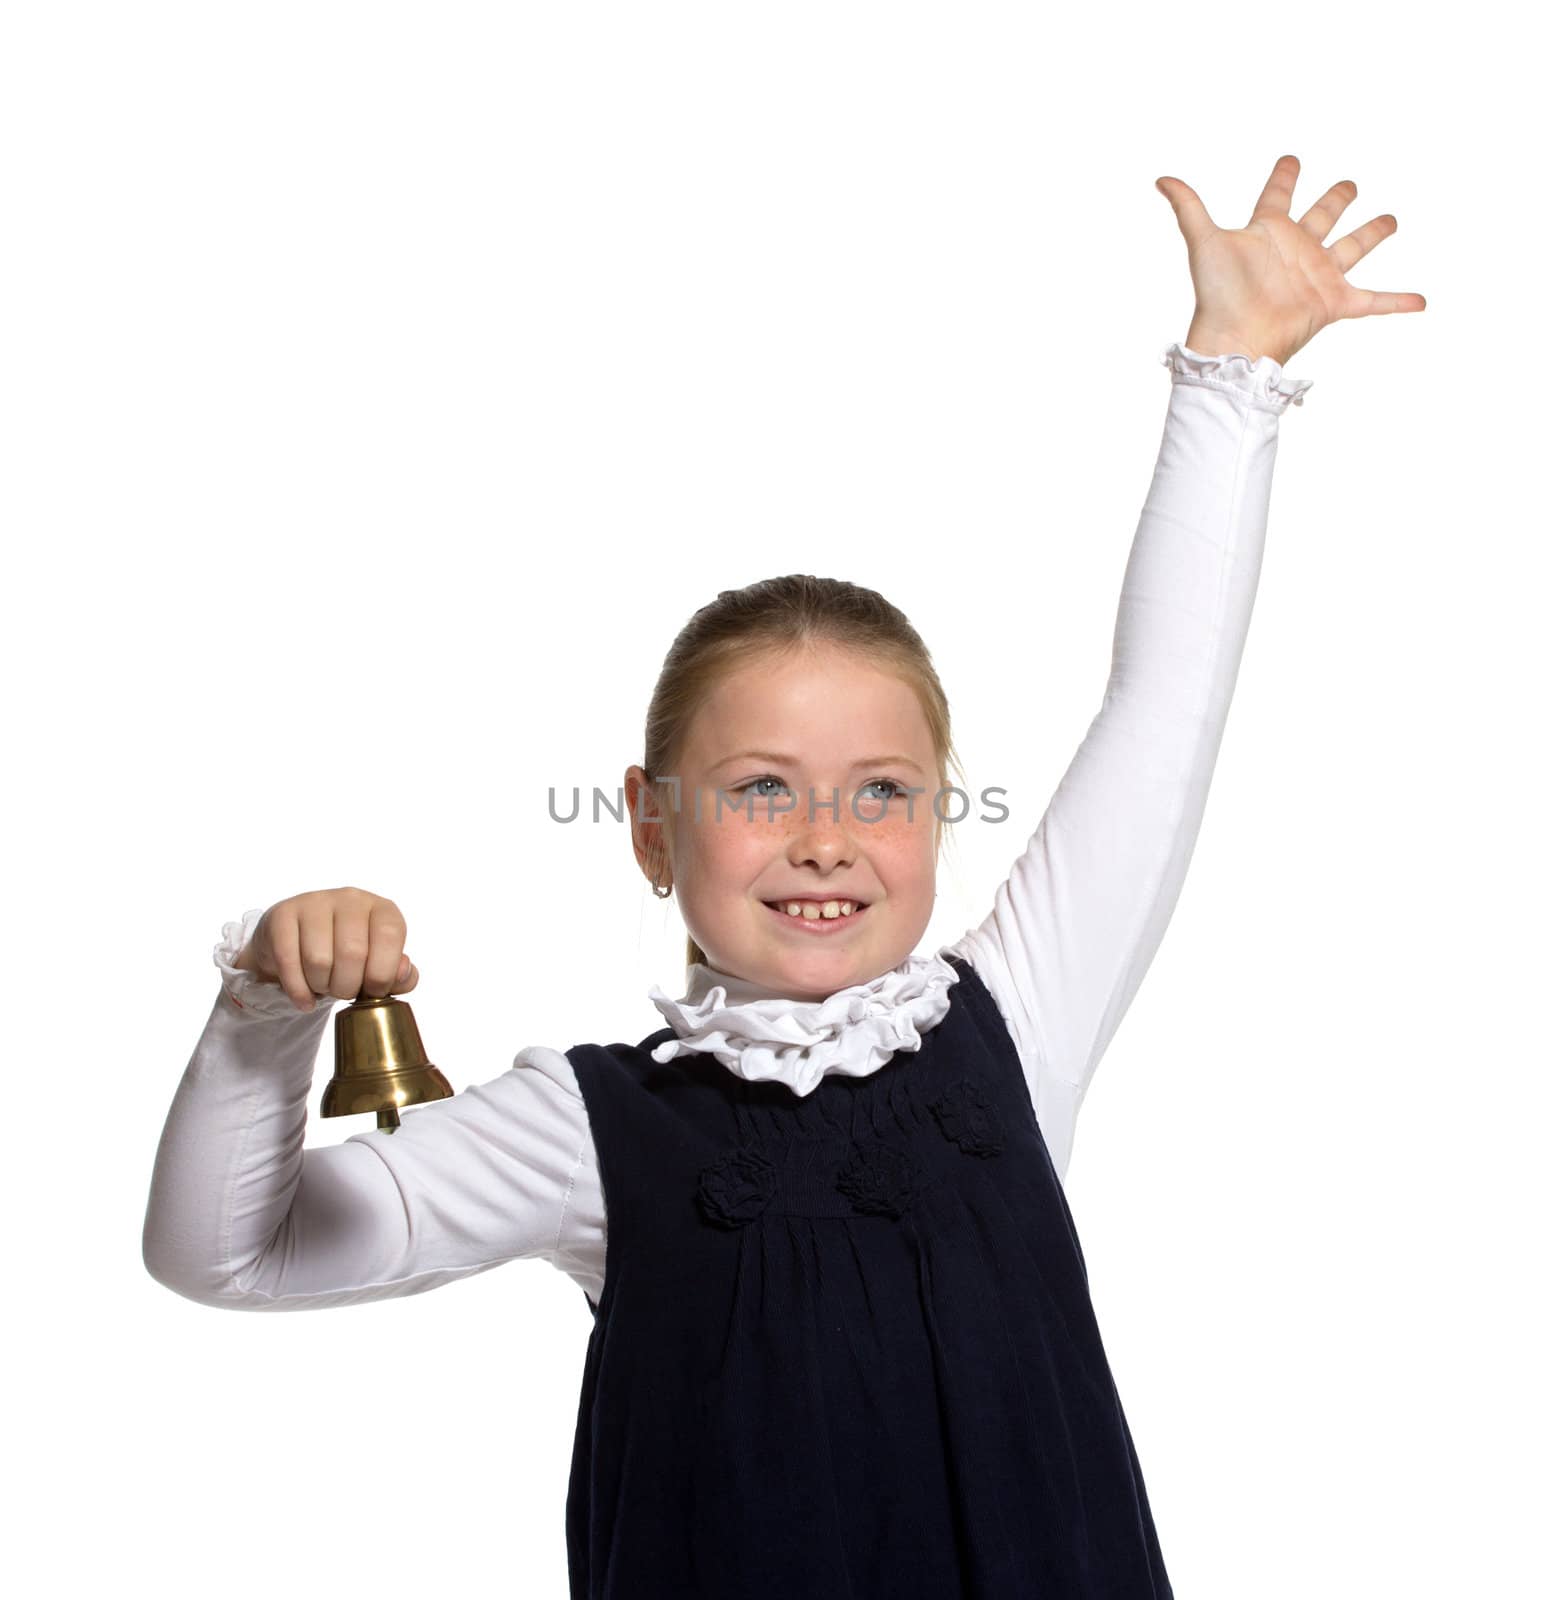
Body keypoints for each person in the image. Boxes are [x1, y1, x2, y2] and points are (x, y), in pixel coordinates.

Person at [142, 154, 1424, 1598]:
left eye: (880, 793)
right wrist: (266, 1010)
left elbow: (1164, 699)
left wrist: (1226, 373)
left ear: (938, 816)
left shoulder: (1016, 1021)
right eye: (761, 791)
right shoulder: (583, 1126)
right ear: (649, 827)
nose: (825, 839)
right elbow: (224, 1258)